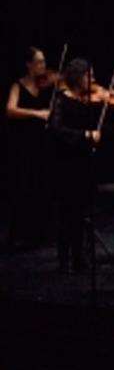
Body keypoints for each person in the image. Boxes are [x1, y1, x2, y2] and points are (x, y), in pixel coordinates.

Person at [50, 58, 114, 272]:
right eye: (88, 76)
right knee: (67, 213)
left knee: (83, 212)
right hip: (66, 165)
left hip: (86, 164)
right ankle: (64, 259)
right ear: (76, 78)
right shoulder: (61, 100)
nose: (94, 79)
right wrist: (85, 134)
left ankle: (80, 257)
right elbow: (57, 131)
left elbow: (104, 133)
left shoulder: (91, 102)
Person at [4, 47, 55, 251]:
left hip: (44, 144)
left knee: (42, 188)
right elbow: (10, 110)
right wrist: (36, 113)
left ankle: (40, 235)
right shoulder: (18, 85)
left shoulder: (48, 85)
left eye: (44, 61)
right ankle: (18, 236)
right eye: (39, 62)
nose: (44, 66)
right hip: (24, 145)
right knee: (23, 187)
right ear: (29, 64)